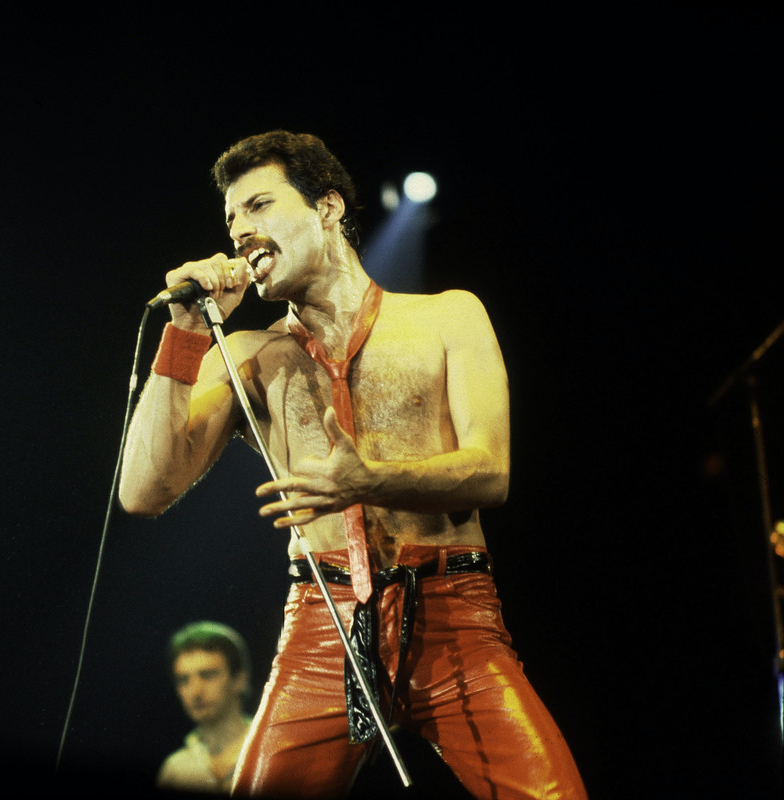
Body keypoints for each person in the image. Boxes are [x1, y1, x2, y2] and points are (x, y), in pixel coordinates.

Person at [119, 130, 587, 799]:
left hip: (452, 616)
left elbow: (491, 473)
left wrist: (370, 481)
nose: (240, 231)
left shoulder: (447, 318)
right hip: (321, 621)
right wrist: (187, 337)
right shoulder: (247, 353)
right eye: (229, 219)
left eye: (257, 206)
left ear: (328, 207)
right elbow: (143, 490)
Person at [157, 621, 254, 795]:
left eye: (208, 675)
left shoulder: (271, 750)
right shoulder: (175, 769)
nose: (195, 692)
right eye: (183, 680)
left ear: (240, 679)